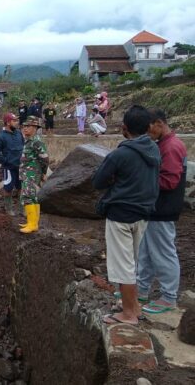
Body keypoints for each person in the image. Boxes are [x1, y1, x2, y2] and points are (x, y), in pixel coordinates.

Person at [93, 105, 161, 325]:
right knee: (132, 261)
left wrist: (115, 180)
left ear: (124, 128)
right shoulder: (154, 150)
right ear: (149, 128)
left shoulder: (120, 154)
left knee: (123, 266)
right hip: (143, 214)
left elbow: (98, 181)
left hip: (121, 215)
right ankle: (134, 306)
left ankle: (129, 314)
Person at [138, 109, 187, 314]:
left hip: (163, 208)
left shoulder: (172, 147)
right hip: (154, 208)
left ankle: (169, 296)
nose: (148, 135)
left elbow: (169, 181)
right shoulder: (163, 144)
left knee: (163, 253)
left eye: (149, 130)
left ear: (159, 123)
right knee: (146, 251)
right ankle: (141, 288)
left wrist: (140, 180)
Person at [18, 116, 49, 234]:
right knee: (33, 197)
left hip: (32, 174)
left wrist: (43, 173)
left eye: (28, 126)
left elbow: (45, 159)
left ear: (35, 128)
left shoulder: (36, 142)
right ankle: (33, 222)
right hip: (27, 173)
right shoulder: (29, 140)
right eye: (24, 126)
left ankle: (32, 224)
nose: (25, 129)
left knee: (27, 197)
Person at [0, 113, 25, 215]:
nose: (17, 122)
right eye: (14, 121)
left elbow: (24, 146)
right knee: (8, 188)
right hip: (8, 168)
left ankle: (21, 208)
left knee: (21, 188)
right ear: (8, 122)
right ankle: (9, 208)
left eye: (16, 120)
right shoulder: (1, 137)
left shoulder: (19, 133)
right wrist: (5, 161)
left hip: (20, 167)